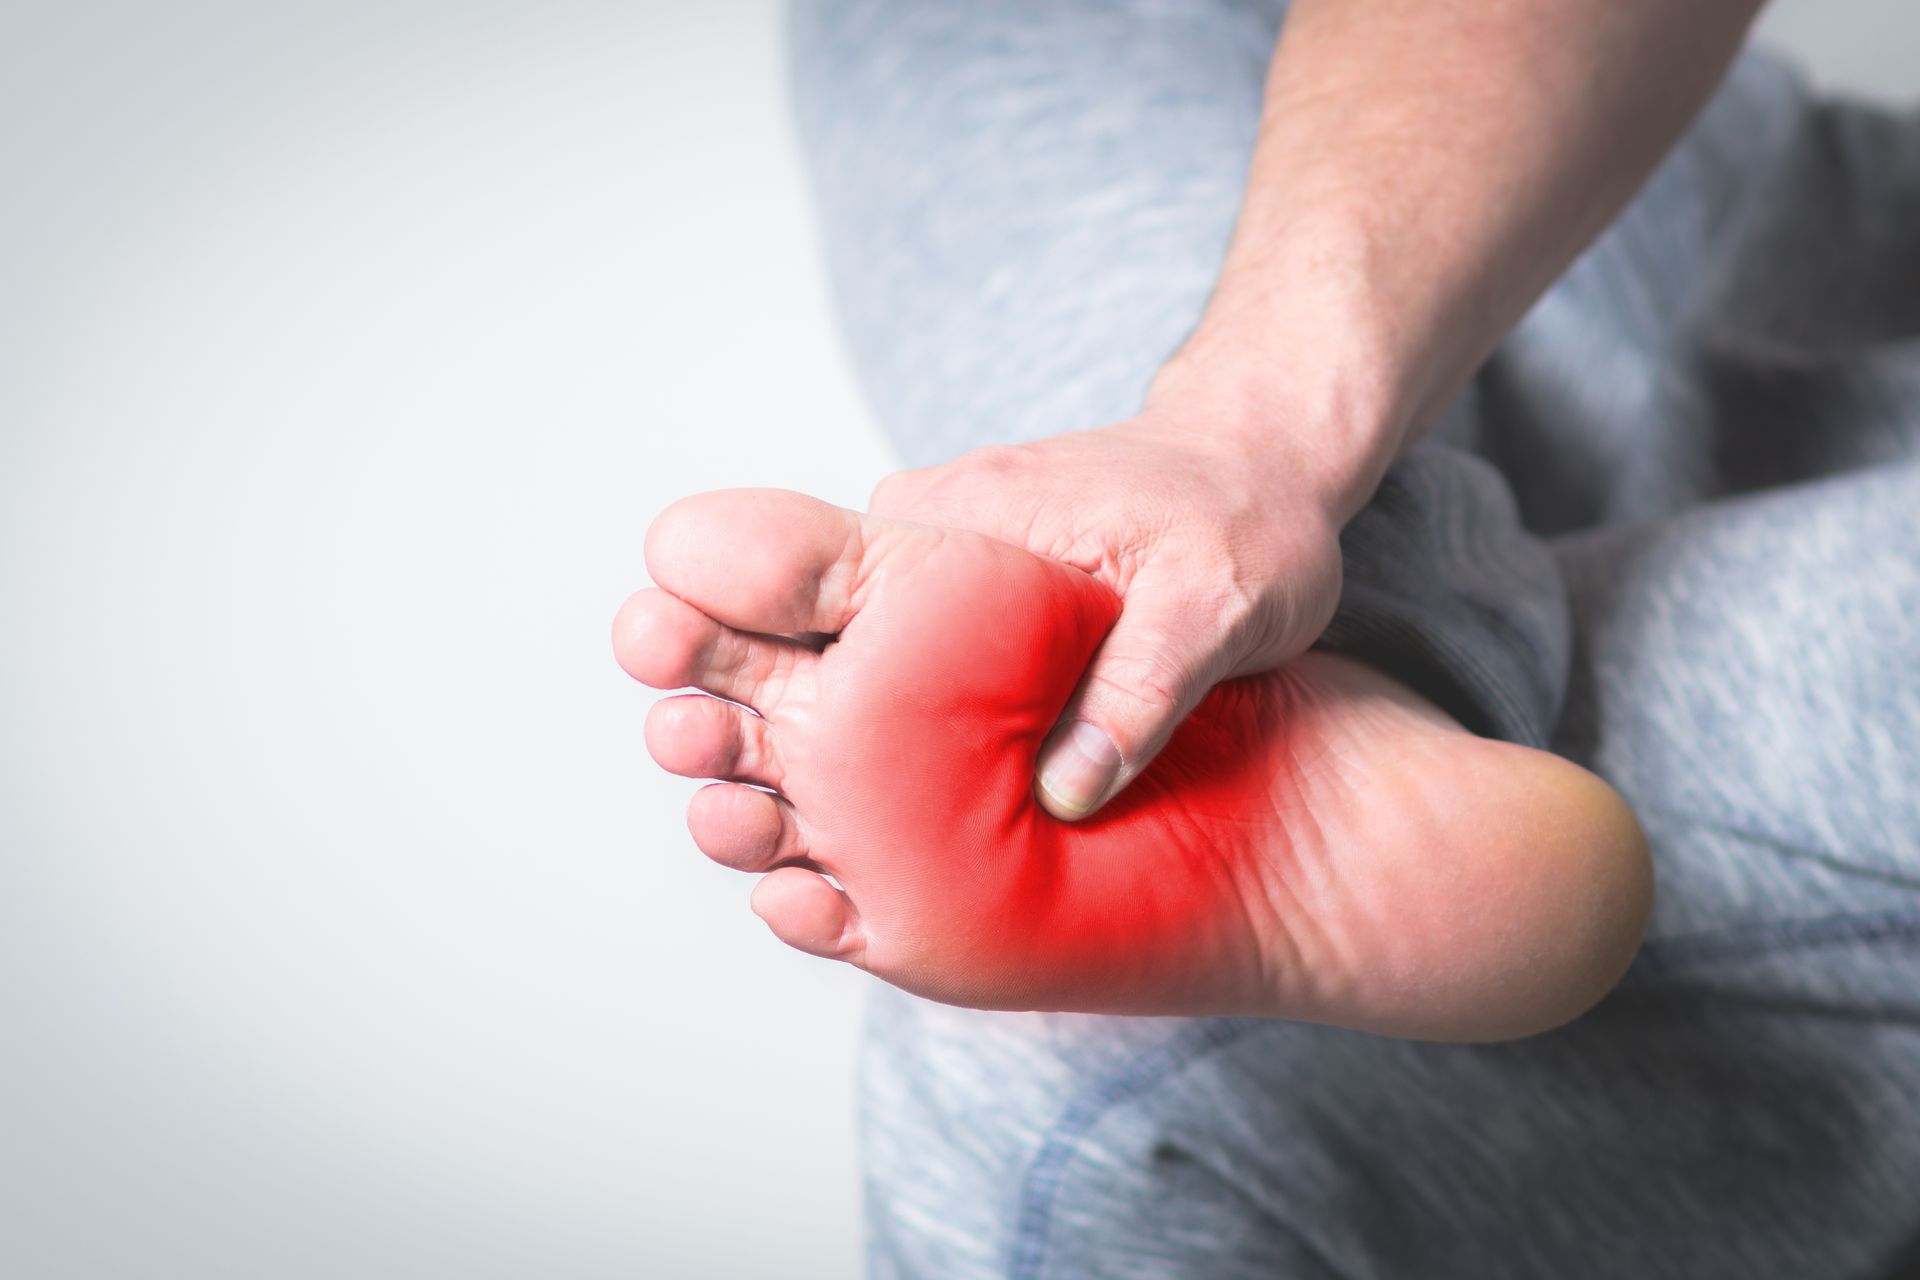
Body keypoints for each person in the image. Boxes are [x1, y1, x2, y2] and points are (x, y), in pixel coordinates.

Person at [619, 0, 1920, 1273]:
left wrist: (1251, 430)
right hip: (1635, 206)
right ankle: (1266, 622)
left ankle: (1251, 652)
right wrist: (1255, 427)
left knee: (1044, 1090)